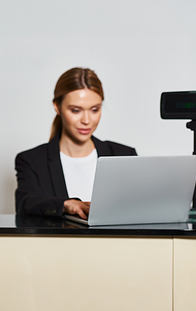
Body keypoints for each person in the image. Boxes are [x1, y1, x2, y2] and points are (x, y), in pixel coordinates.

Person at [15, 67, 137, 218]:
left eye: (94, 110)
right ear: (57, 107)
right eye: (75, 110)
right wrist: (66, 204)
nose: (86, 120)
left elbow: (140, 207)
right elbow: (25, 204)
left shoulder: (124, 156)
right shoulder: (32, 160)